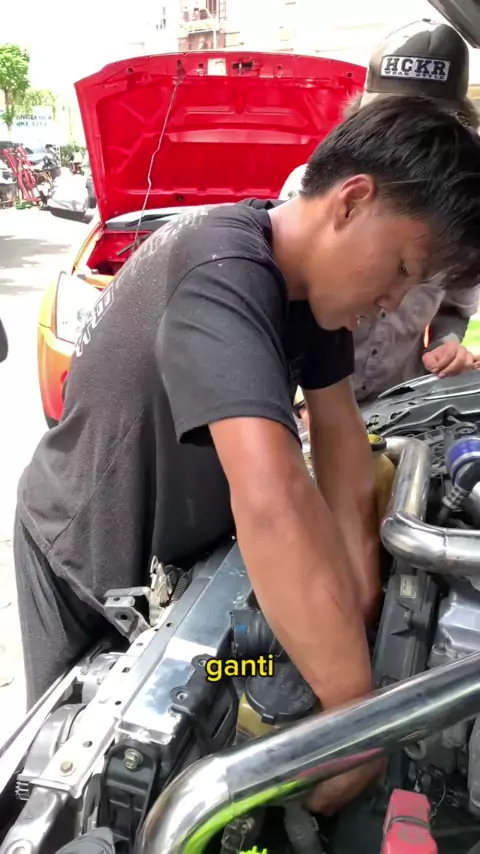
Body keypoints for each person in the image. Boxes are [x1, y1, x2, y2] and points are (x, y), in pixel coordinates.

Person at [14, 96, 480, 813]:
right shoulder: (223, 266)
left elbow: (342, 445)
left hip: (177, 569)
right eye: (399, 268)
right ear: (352, 201)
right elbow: (273, 498)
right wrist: (355, 724)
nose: (394, 302)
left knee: (240, 676)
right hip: (82, 564)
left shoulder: (308, 292)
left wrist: (361, 609)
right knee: (85, 782)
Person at [280, 20, 480, 429]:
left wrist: (446, 344)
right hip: (305, 412)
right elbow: (282, 306)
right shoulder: (308, 192)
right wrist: (299, 397)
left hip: (400, 408)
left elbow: (455, 306)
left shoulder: (456, 215)